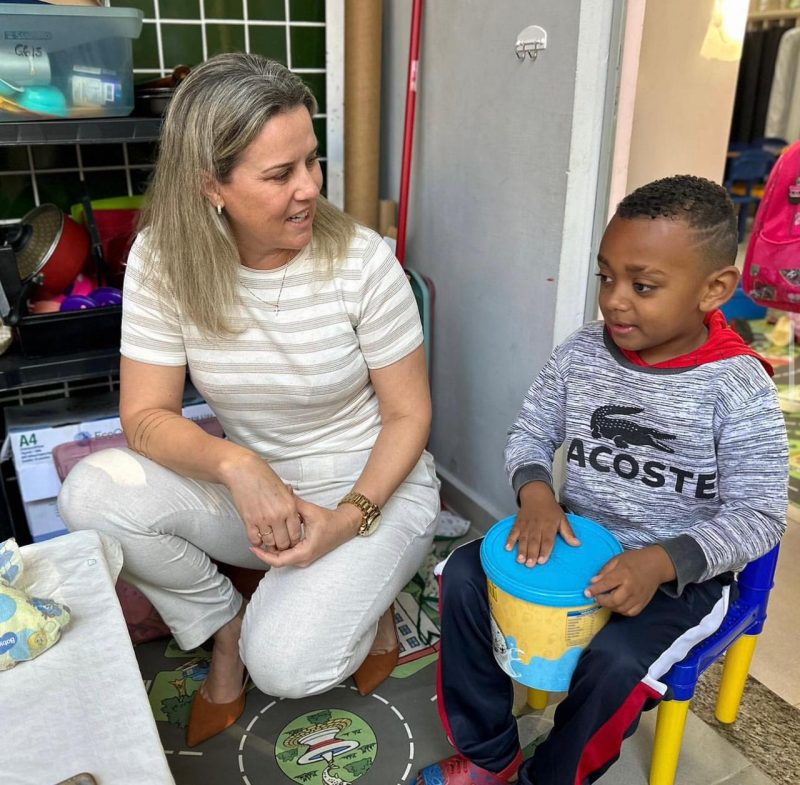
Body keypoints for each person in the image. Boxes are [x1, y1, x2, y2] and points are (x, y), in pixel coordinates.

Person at [57, 52, 440, 747]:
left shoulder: (360, 262)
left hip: (372, 484)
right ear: (212, 186)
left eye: (312, 162)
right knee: (90, 494)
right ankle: (222, 624)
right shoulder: (163, 260)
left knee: (290, 666)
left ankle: (371, 594)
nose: (309, 190)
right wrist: (237, 464)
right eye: (279, 174)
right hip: (265, 498)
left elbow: (410, 415)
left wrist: (349, 520)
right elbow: (144, 417)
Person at [416, 175, 788, 785]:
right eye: (605, 277)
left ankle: (555, 776)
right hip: (577, 545)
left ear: (714, 289)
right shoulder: (581, 353)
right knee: (460, 577)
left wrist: (660, 563)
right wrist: (535, 491)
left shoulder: (738, 387)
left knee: (616, 663)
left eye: (642, 286)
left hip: (679, 580)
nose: (614, 300)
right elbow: (529, 434)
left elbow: (761, 516)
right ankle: (490, 754)